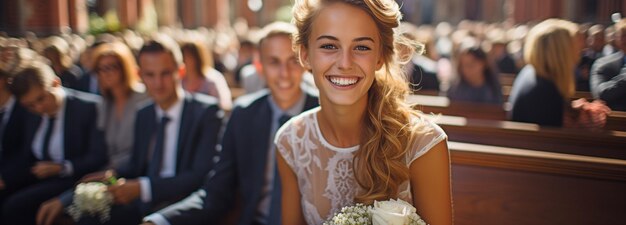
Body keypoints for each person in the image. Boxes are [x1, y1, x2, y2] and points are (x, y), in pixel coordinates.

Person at [275, 0, 453, 224]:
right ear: (305, 55)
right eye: (329, 46)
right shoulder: (291, 141)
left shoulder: (424, 144)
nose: (345, 63)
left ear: (379, 57)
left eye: (361, 47)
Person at [141, 21, 319, 225]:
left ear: (306, 61)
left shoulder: (324, 111)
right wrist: (160, 220)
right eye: (274, 62)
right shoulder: (244, 114)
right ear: (258, 66)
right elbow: (217, 190)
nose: (284, 73)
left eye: (293, 61)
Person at [35, 41, 150, 225]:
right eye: (100, 69)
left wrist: (107, 174)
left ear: (126, 67)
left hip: (133, 175)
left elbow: (142, 154)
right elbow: (102, 151)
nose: (106, 73)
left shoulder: (144, 99)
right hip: (108, 173)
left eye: (112, 67)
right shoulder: (105, 104)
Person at [2, 59, 108, 225]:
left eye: (42, 98)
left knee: (14, 207)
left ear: (56, 83)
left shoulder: (88, 108)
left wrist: (62, 167)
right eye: (30, 105)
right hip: (37, 177)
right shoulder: (31, 114)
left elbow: (97, 156)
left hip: (73, 179)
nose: (39, 108)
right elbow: (26, 155)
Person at [509, 19, 611, 127]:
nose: (581, 49)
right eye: (575, 44)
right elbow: (553, 131)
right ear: (561, 51)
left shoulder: (534, 72)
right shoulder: (545, 86)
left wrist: (572, 108)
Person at [180, 41, 233, 111]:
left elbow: (225, 105)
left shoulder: (213, 79)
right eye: (182, 56)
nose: (184, 60)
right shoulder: (179, 80)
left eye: (188, 56)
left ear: (197, 58)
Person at [590, 19, 626, 111]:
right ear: (616, 38)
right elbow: (601, 93)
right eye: (623, 35)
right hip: (615, 121)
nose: (625, 40)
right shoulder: (603, 64)